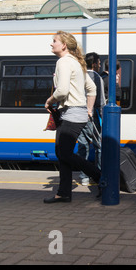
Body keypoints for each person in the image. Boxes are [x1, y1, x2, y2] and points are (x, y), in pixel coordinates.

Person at [44, 31, 101, 203]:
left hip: (71, 113)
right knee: (62, 153)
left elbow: (61, 91)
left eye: (54, 41)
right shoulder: (76, 63)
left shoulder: (63, 62)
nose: (51, 44)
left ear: (64, 45)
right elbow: (92, 89)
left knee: (65, 153)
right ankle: (64, 193)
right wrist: (88, 110)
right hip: (75, 113)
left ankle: (101, 178)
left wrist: (49, 100)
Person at [76, 52, 106, 186]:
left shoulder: (78, 76)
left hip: (77, 116)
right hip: (91, 117)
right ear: (94, 64)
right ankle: (98, 173)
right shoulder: (96, 77)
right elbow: (100, 102)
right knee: (99, 146)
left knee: (83, 147)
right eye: (99, 63)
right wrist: (104, 120)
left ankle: (84, 177)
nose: (100, 65)